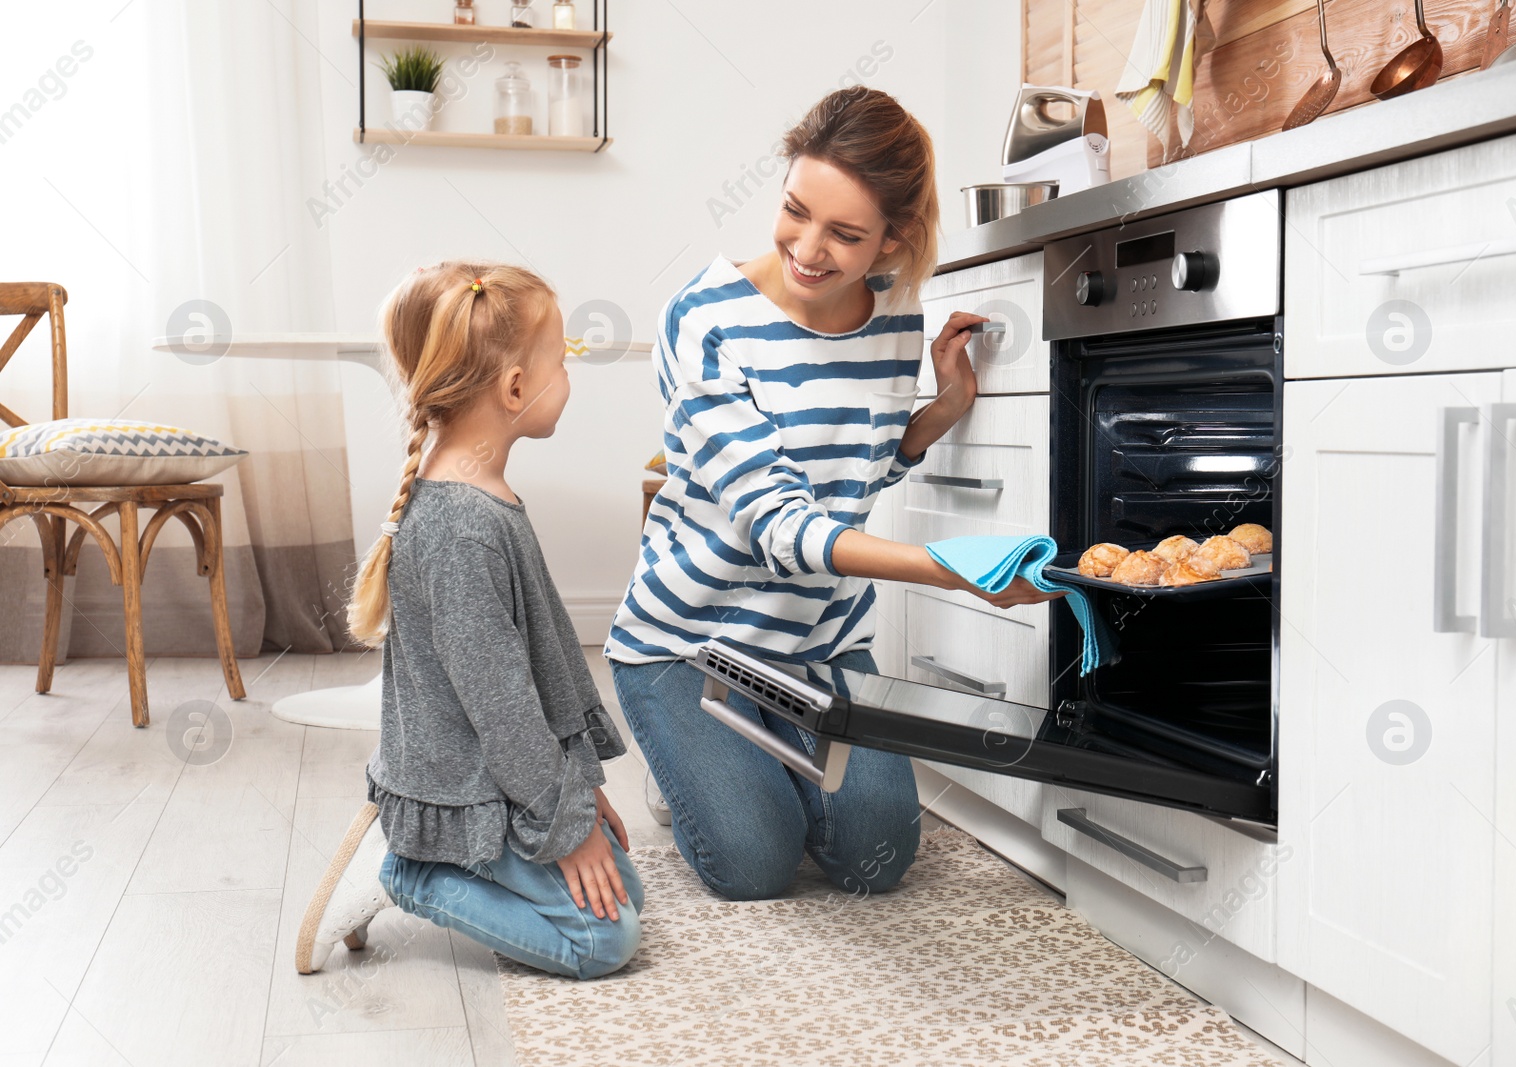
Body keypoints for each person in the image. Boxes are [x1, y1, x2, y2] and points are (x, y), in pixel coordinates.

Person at [605, 88, 1061, 902]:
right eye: (795, 212)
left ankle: (760, 757)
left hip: (820, 640)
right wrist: (956, 570)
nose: (808, 249)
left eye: (845, 235)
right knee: (756, 864)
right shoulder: (705, 320)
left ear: (894, 239)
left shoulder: (894, 316)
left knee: (876, 856)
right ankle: (694, 763)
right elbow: (781, 524)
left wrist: (938, 414)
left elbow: (855, 472)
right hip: (692, 642)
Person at [295, 261, 642, 980]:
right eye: (562, 359)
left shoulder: (486, 498)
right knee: (603, 941)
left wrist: (578, 796)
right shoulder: (462, 530)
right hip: (467, 790)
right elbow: (504, 708)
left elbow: (538, 669)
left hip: (502, 778)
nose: (568, 374)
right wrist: (563, 827)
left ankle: (440, 865)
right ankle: (408, 872)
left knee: (623, 889)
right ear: (515, 387)